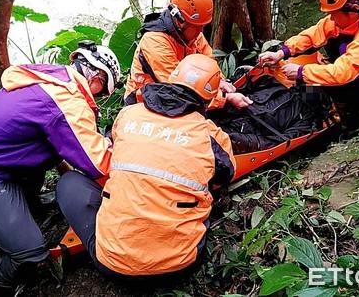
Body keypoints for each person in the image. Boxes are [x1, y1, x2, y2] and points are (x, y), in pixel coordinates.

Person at [0, 40, 121, 296]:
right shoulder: (66, 101)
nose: (100, 98)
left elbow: (60, 143)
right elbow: (97, 162)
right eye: (103, 92)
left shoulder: (50, 78)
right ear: (97, 77)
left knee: (45, 151)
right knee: (30, 251)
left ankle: (29, 206)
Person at [57, 54, 236, 286]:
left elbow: (109, 151)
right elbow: (227, 173)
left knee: (69, 183)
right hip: (179, 265)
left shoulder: (128, 115)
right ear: (211, 100)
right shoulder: (210, 134)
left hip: (113, 266)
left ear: (172, 79)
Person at [124, 0, 253, 109]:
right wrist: (225, 99)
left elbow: (209, 62)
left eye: (202, 26)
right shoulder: (155, 42)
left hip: (173, 100)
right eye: (197, 27)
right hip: (143, 104)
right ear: (180, 20)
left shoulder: (194, 34)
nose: (200, 31)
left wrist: (219, 81)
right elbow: (178, 89)